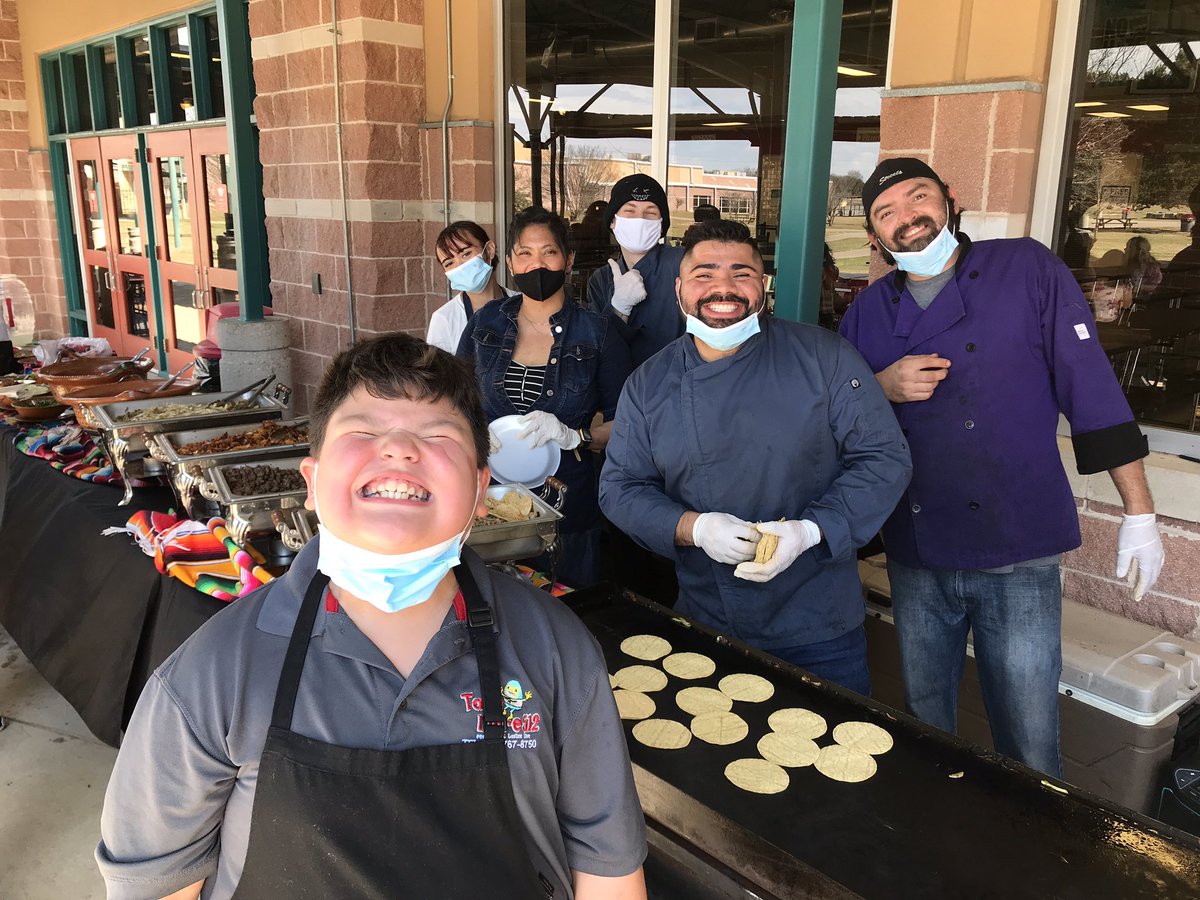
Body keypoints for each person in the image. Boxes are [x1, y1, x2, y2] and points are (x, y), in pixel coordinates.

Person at [96, 334, 648, 899]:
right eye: (363, 431)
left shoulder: (556, 650)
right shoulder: (211, 674)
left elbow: (608, 872)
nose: (400, 449)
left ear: (482, 489)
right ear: (310, 482)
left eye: (438, 434)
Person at [839, 157, 1166, 777]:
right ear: (876, 237)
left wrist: (1140, 511)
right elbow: (843, 420)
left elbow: (1090, 387)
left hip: (1017, 545)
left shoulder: (1026, 269)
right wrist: (878, 385)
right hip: (918, 550)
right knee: (925, 718)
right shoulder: (867, 313)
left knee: (1028, 732)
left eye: (918, 199)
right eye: (887, 213)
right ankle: (937, 829)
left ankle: (1038, 852)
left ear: (950, 200)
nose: (908, 219)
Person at [599, 219, 912, 694]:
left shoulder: (824, 357)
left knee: (831, 759)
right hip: (707, 617)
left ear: (763, 286)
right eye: (705, 273)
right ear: (680, 288)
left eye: (741, 273)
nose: (723, 286)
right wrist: (695, 528)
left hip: (818, 623)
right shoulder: (648, 383)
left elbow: (884, 458)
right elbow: (620, 488)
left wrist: (810, 531)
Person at [458, 207, 632, 587]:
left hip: (568, 508)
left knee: (567, 612)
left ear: (568, 260)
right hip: (489, 506)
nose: (536, 263)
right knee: (493, 611)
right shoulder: (484, 322)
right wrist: (471, 435)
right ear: (509, 261)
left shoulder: (598, 333)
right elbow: (451, 401)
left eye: (549, 252)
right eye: (525, 253)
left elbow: (629, 426)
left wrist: (577, 437)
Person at [587, 174, 686, 367]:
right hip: (621, 390)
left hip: (676, 386)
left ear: (661, 225)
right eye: (629, 211)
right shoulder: (600, 280)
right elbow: (596, 350)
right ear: (612, 222)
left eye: (650, 213)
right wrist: (618, 308)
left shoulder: (682, 264)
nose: (640, 220)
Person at [426, 220, 514, 353]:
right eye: (449, 263)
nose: (460, 266)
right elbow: (439, 372)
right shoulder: (444, 319)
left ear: (489, 250)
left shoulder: (522, 301)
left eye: (466, 254)